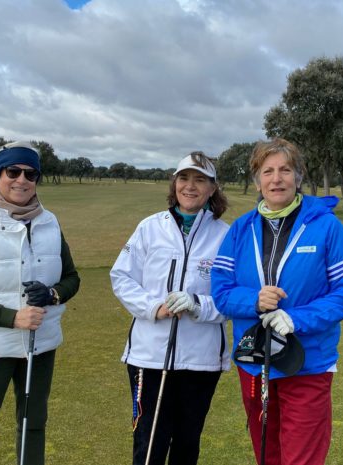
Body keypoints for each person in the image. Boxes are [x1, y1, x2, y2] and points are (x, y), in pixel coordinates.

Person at [211, 138, 343, 465]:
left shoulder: (325, 225)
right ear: (257, 181)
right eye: (267, 171)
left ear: (298, 177)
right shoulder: (240, 229)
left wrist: (298, 318)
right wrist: (254, 300)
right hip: (254, 363)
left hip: (307, 363)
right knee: (267, 453)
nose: (276, 178)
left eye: (285, 170)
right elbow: (221, 292)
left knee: (301, 458)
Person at [0, 141, 80, 465]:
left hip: (40, 344)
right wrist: (13, 318)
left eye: (30, 173)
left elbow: (71, 278)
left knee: (33, 425)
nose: (21, 180)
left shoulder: (50, 223)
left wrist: (51, 295)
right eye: (13, 171)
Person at [110, 152, 231, 465]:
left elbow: (233, 298)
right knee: (149, 441)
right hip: (148, 357)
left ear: (212, 188)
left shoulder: (226, 236)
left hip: (202, 360)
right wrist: (154, 307)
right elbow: (122, 277)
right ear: (174, 183)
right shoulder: (150, 228)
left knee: (187, 443)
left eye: (200, 179)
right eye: (184, 178)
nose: (190, 186)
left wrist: (197, 305)